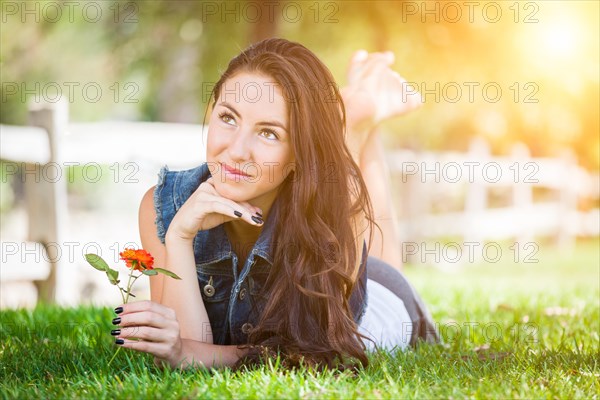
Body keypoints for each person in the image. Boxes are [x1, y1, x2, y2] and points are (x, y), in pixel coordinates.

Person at [110, 38, 438, 370]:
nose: (237, 150)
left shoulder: (329, 202)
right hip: (348, 266)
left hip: (367, 312)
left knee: (347, 180)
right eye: (228, 117)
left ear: (298, 153)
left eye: (269, 133)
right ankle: (356, 112)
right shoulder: (164, 204)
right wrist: (180, 236)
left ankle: (358, 113)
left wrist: (187, 352)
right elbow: (185, 353)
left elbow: (309, 353)